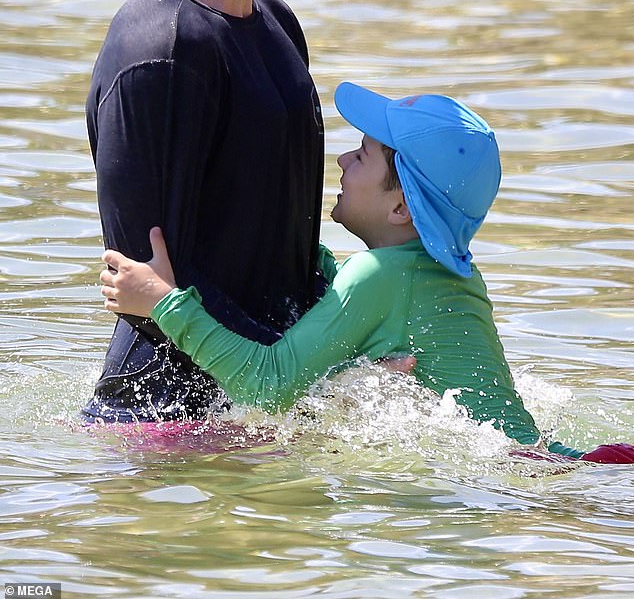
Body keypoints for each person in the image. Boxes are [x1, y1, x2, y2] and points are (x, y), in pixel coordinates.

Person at [102, 81, 634, 462]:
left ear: (401, 208)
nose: (341, 163)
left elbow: (267, 385)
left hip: (512, 473)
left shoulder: (379, 277)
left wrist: (163, 303)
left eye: (363, 156)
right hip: (555, 462)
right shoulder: (440, 273)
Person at [82, 0, 330, 423]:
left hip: (268, 405)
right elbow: (158, 291)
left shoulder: (276, 20)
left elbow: (287, 254)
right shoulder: (158, 55)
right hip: (170, 434)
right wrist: (302, 381)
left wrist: (345, 353)